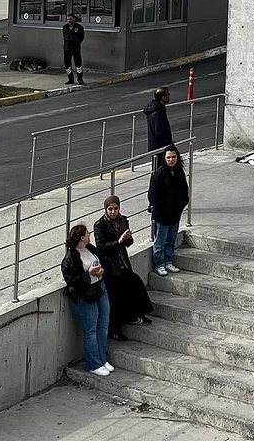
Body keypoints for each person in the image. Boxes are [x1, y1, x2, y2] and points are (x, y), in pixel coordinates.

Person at [93, 194, 154, 339]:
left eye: (115, 209)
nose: (113, 212)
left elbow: (128, 243)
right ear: (106, 210)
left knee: (135, 284)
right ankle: (114, 330)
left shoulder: (123, 220)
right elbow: (101, 247)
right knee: (115, 298)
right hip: (110, 267)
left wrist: (127, 238)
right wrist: (119, 241)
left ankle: (136, 314)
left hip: (123, 263)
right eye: (110, 209)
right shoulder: (100, 225)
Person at [60, 223, 112, 376]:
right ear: (82, 237)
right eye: (87, 233)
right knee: (90, 330)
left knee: (103, 325)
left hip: (99, 287)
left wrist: (102, 270)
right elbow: (72, 281)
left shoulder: (91, 248)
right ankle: (93, 363)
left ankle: (102, 359)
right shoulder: (70, 258)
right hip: (84, 295)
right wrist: (89, 273)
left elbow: (103, 261)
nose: (90, 235)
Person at [148, 144, 189, 276]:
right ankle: (159, 264)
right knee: (159, 242)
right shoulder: (159, 174)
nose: (171, 160)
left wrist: (180, 207)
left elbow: (184, 193)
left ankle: (168, 261)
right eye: (168, 157)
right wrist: (162, 209)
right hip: (161, 215)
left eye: (173, 157)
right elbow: (152, 196)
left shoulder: (179, 173)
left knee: (170, 240)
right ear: (164, 158)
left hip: (174, 215)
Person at [144, 87, 173, 168]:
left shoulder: (156, 109)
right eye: (168, 95)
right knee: (159, 170)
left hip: (156, 147)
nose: (169, 96)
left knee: (158, 169)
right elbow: (159, 132)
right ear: (163, 97)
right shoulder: (158, 113)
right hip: (160, 148)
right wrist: (169, 145)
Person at [62, 13, 85, 85]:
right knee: (67, 65)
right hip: (67, 49)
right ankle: (70, 79)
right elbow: (64, 36)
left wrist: (77, 43)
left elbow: (82, 37)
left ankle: (80, 79)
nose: (69, 21)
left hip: (76, 49)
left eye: (70, 19)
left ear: (74, 19)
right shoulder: (65, 27)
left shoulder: (79, 27)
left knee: (78, 65)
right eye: (68, 19)